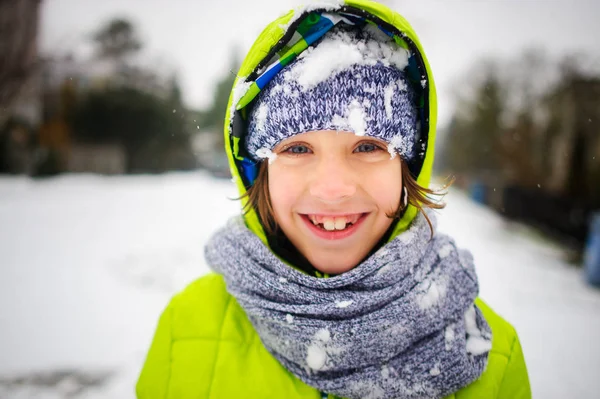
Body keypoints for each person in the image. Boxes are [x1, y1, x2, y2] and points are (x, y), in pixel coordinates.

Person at [136, 1, 531, 398]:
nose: (332, 188)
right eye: (296, 149)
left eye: (367, 147)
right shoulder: (186, 328)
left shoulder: (494, 357)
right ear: (259, 172)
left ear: (407, 167)